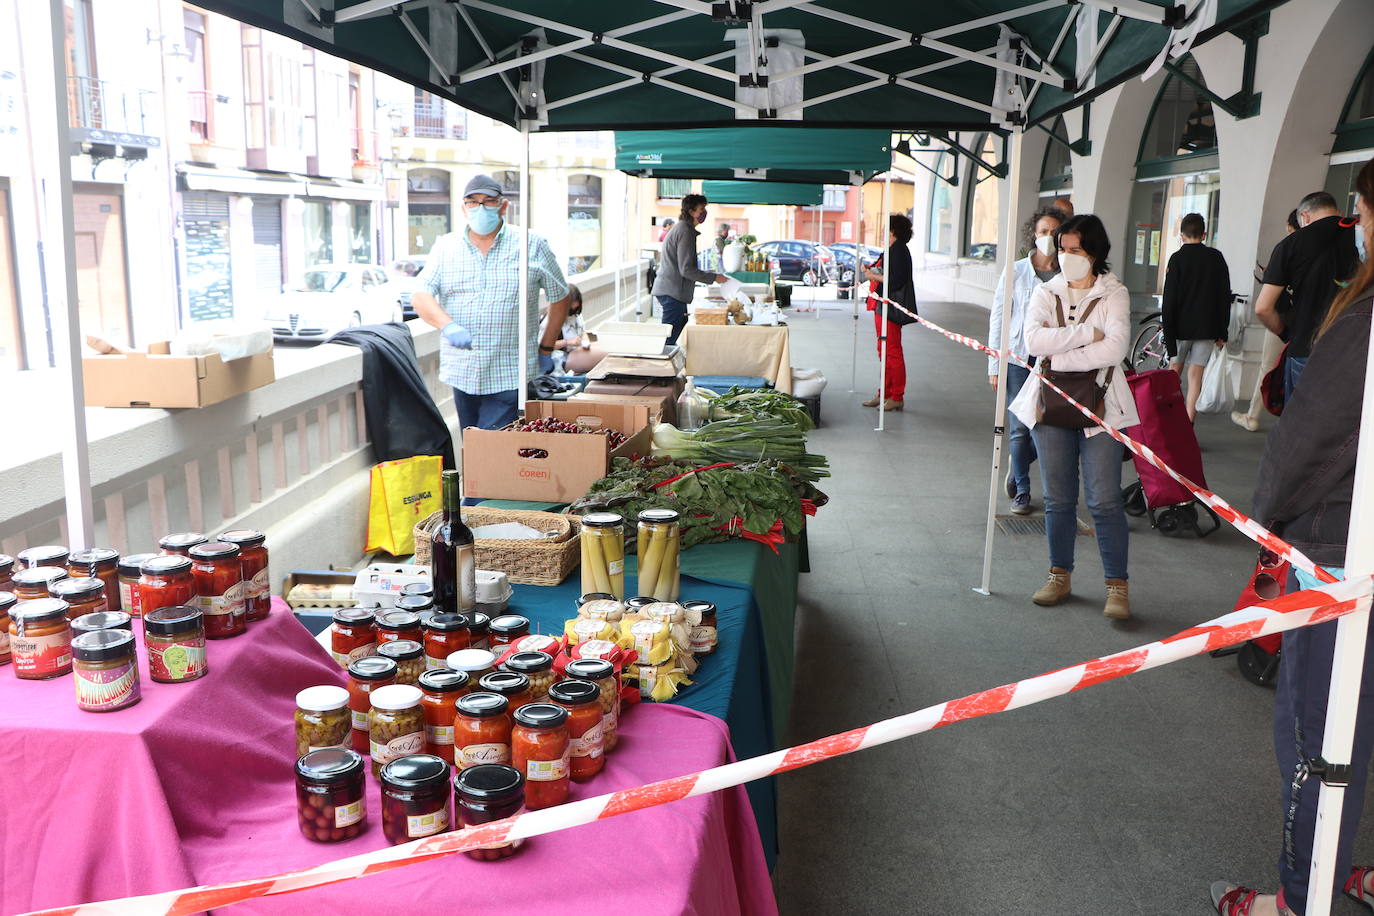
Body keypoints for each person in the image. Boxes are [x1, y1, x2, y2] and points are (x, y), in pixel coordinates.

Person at [1211, 157, 1373, 916]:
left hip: (1342, 552)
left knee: (1318, 735)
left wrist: (1268, 527)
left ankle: (1299, 898)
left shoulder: (1362, 321)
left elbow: (1310, 443)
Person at [1010, 214, 1139, 620]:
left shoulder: (1113, 293)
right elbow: (1033, 342)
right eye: (1062, 249)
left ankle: (1117, 585)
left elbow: (1115, 350)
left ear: (1095, 253)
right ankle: (1058, 575)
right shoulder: (1046, 291)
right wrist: (1087, 334)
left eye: (1075, 250)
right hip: (1051, 401)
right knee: (1057, 499)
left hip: (1100, 404)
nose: (1065, 257)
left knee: (1103, 500)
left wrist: (1061, 348)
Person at [412, 173, 573, 431]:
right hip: (462, 369)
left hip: (510, 370)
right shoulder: (446, 247)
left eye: (488, 201)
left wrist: (545, 347)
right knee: (472, 440)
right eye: (473, 202)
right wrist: (448, 325)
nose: (480, 208)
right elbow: (421, 295)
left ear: (503, 206)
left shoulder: (531, 245)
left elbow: (560, 297)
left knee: (492, 441)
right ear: (463, 208)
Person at [988, 206, 1063, 516]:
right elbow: (999, 316)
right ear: (1034, 233)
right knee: (1020, 429)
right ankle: (1022, 490)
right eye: (1043, 231)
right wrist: (995, 364)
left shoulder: (1068, 274)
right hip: (1019, 359)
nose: (1047, 237)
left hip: (1054, 361)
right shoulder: (1017, 270)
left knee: (1046, 428)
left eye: (1054, 233)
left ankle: (1023, 467)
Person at [1253, 191, 1360, 397]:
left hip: (1305, 347)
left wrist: (1286, 334)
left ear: (1304, 217)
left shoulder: (1290, 245)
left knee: (1300, 424)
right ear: (1336, 211)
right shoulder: (1362, 235)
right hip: (1355, 349)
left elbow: (1263, 308)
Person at [1232, 210, 1300, 432]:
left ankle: (1252, 416)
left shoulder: (1286, 248)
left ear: (1291, 226)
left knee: (1268, 367)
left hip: (1281, 318)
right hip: (1308, 320)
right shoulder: (1319, 250)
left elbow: (1266, 301)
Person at [1161, 212, 1232, 422]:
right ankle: (1188, 421)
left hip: (1180, 329)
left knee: (1174, 373)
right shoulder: (1216, 258)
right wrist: (1222, 330)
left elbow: (1169, 300)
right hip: (1206, 328)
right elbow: (1223, 296)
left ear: (1181, 236)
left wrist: (1169, 334)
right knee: (1195, 377)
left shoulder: (1177, 259)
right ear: (1204, 234)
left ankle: (1169, 420)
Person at [652, 194, 727, 344]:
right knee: (670, 341)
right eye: (702, 209)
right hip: (672, 292)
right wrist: (714, 278)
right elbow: (686, 269)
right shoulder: (685, 231)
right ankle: (662, 367)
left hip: (672, 291)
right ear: (691, 211)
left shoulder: (683, 228)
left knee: (677, 337)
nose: (704, 213)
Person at [861, 214, 917, 411]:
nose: (884, 232)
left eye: (887, 228)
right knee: (883, 350)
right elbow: (888, 274)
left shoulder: (899, 250)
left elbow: (896, 279)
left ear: (893, 230)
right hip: (883, 305)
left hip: (890, 306)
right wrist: (872, 273)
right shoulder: (893, 249)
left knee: (891, 351)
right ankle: (885, 392)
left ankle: (896, 395)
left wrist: (873, 275)